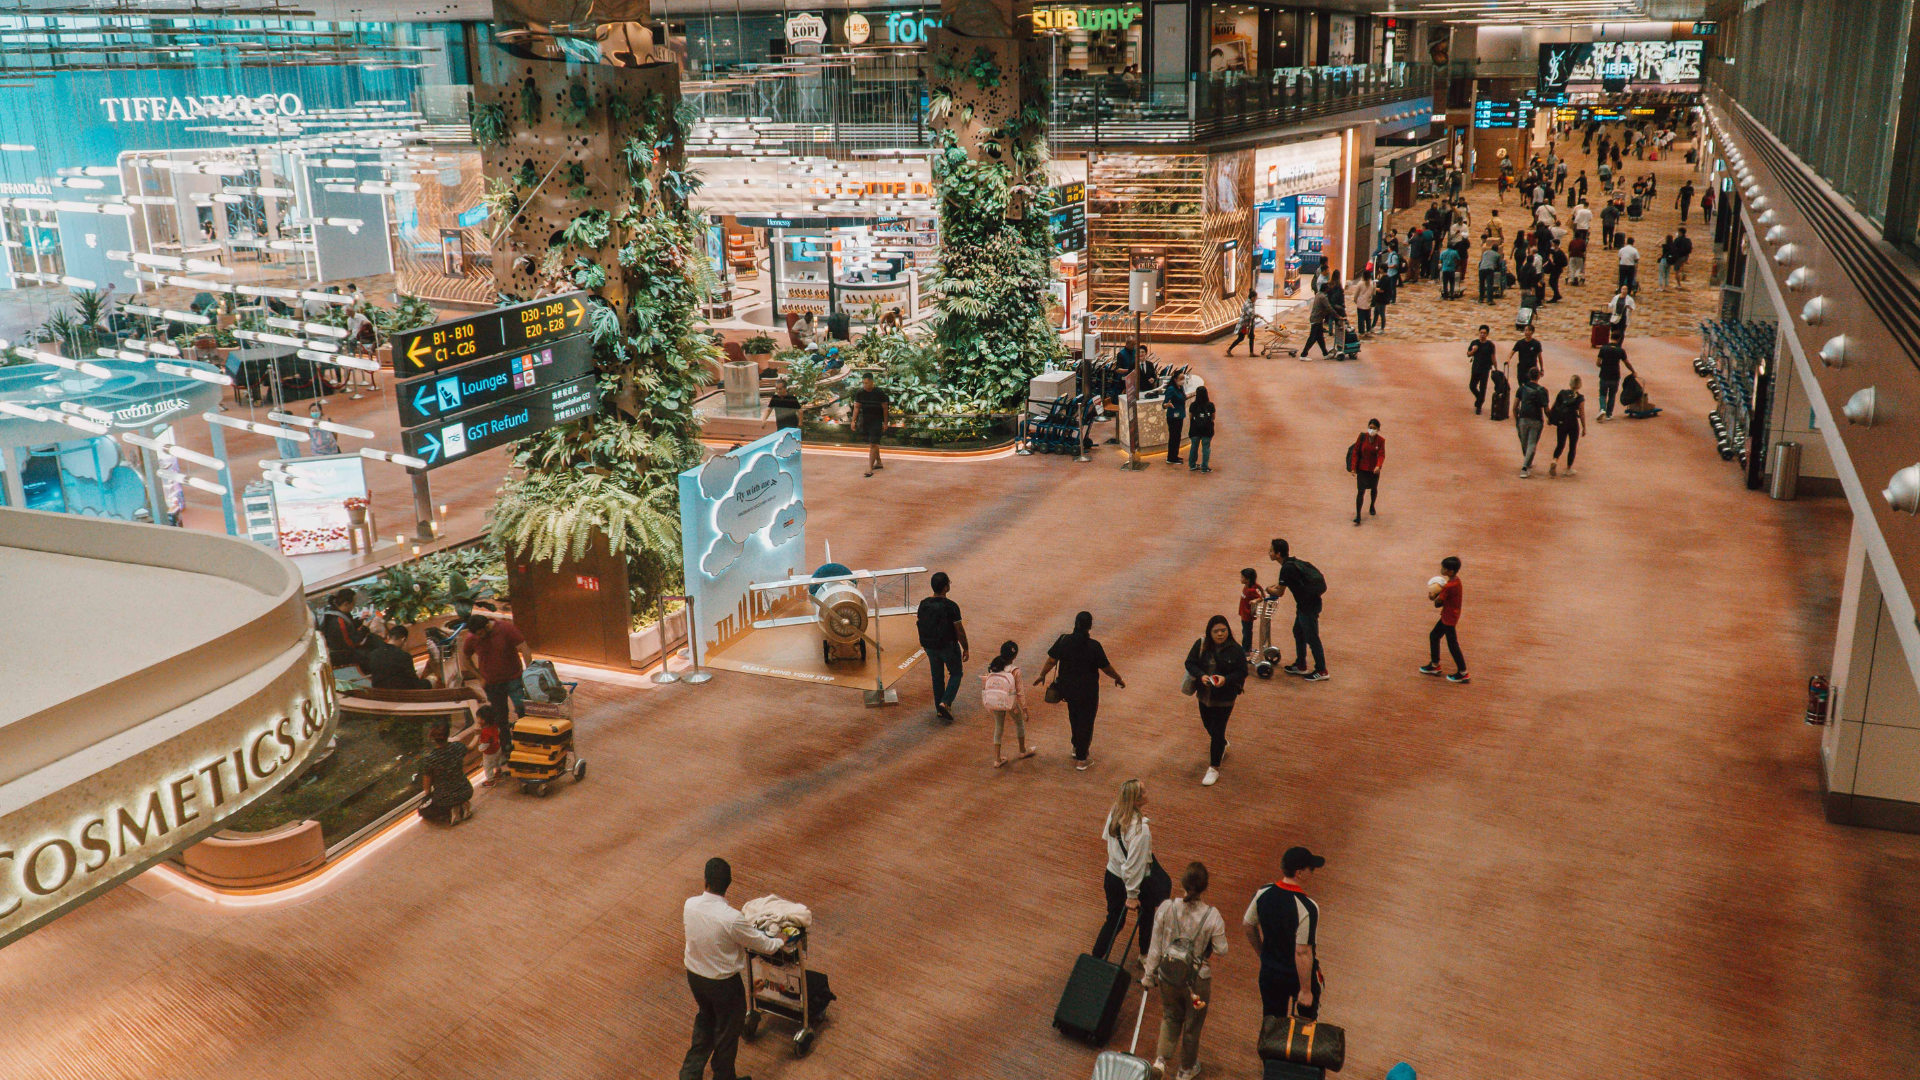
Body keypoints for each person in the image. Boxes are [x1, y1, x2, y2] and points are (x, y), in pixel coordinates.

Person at [681, 857, 785, 1080]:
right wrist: (780, 942)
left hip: (695, 977)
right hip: (723, 985)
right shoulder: (732, 918)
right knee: (728, 1031)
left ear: (705, 880)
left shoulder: (689, 905)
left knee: (706, 1020)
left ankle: (689, 1074)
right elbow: (762, 944)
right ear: (728, 884)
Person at [1143, 862, 1229, 1080]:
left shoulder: (1166, 908)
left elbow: (1155, 946)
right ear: (1204, 887)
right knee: (1192, 1026)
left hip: (1168, 976)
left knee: (1170, 1016)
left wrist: (1148, 975)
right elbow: (1222, 950)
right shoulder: (1212, 916)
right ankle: (1185, 1070)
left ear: (1182, 882)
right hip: (1197, 980)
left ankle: (1160, 1062)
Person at [1094, 779, 1172, 963]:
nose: (1147, 793)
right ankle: (1144, 955)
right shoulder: (1141, 830)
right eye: (1143, 791)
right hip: (1136, 881)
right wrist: (1132, 894)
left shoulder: (1115, 812)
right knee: (1146, 915)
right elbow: (1135, 865)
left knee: (1113, 919)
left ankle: (1096, 957)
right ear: (1136, 801)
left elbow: (1107, 837)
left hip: (1112, 875)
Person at [1244, 846, 1326, 1021]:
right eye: (1310, 869)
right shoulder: (1308, 907)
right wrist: (1305, 990)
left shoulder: (1262, 893)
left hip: (1270, 973)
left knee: (1272, 1026)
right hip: (1297, 977)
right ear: (1299, 873)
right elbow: (1302, 952)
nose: (1312, 874)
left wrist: (1263, 954)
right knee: (1305, 1028)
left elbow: (1248, 925)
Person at [1035, 611, 1125, 770]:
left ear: (1075, 623)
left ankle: (1076, 746)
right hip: (1087, 691)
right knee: (1086, 721)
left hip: (1067, 689)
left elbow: (1051, 660)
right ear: (1089, 626)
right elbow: (1106, 668)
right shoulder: (1094, 646)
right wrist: (1118, 678)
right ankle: (1082, 759)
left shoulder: (1063, 640)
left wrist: (1042, 675)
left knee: (1074, 716)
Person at [1184, 615, 1247, 787]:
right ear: (1209, 632)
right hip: (1204, 696)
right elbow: (1190, 663)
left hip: (1225, 698)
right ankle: (1222, 744)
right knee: (1208, 725)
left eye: (1223, 630)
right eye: (1216, 631)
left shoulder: (1236, 649)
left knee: (1218, 730)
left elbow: (1243, 672)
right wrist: (1201, 675)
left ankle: (1214, 767)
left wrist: (1226, 679)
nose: (1220, 634)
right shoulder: (1201, 644)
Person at [1267, 539, 1327, 681]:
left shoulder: (1286, 568)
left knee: (1312, 637)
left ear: (1278, 554)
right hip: (1306, 604)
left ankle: (1322, 670)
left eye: (1271, 550)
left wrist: (1268, 589)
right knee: (1298, 632)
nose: (1269, 553)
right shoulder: (1291, 563)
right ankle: (1301, 665)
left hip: (1308, 607)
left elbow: (1280, 592)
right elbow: (1283, 583)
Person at [915, 571, 968, 723]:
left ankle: (939, 709)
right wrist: (966, 647)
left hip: (930, 646)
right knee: (956, 673)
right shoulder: (951, 606)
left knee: (937, 677)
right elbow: (959, 630)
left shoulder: (924, 604)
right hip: (948, 645)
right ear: (945, 588)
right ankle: (945, 702)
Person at [459, 613, 532, 722]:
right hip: (491, 682)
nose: (478, 637)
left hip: (513, 677)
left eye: (480, 634)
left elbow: (524, 649)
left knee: (522, 708)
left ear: (487, 627)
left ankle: (526, 729)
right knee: (499, 715)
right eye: (476, 635)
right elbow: (465, 658)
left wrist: (529, 673)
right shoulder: (472, 638)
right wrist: (480, 677)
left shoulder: (506, 629)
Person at [980, 640, 1035, 767]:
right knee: (1019, 723)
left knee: (999, 726)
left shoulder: (995, 666)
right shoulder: (1015, 670)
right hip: (1011, 702)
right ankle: (1022, 750)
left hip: (997, 701)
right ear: (1015, 656)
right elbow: (1020, 692)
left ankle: (997, 759)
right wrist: (1025, 709)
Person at [416, 717, 477, 824]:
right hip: (466, 790)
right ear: (448, 733)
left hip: (444, 798)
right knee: (457, 794)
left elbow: (427, 788)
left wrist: (428, 797)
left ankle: (452, 809)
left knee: (423, 810)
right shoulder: (457, 747)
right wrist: (478, 735)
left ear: (432, 737)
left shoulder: (430, 759)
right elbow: (471, 748)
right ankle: (463, 804)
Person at [1419, 557, 1469, 683]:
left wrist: (1433, 596)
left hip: (1448, 618)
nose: (1441, 570)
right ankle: (1434, 664)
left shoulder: (1449, 586)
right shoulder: (1456, 581)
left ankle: (1463, 673)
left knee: (1452, 645)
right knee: (1434, 636)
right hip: (1450, 615)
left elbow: (1437, 603)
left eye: (1443, 568)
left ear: (1450, 571)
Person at [364, 624, 430, 689]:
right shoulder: (403, 655)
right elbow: (413, 682)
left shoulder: (374, 653)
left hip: (380, 691)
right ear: (403, 639)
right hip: (400, 692)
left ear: (388, 637)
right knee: (429, 682)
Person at [318, 588, 370, 670]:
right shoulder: (337, 621)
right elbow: (350, 643)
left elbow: (348, 628)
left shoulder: (336, 610)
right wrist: (364, 629)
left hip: (341, 648)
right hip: (340, 654)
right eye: (353, 603)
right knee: (370, 654)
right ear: (346, 604)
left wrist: (360, 620)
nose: (354, 606)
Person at [1347, 419, 1384, 525]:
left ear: (1378, 429)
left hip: (1373, 470)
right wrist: (1353, 467)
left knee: (1374, 488)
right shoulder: (1362, 437)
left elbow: (1381, 454)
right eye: (1370, 427)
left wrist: (1378, 466)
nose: (1372, 430)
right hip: (1362, 469)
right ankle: (1358, 515)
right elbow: (1355, 451)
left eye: (1374, 428)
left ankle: (1372, 505)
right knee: (1360, 491)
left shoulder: (1381, 441)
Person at [1513, 368, 1549, 479]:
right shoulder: (1543, 391)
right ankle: (1525, 466)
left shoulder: (1522, 388)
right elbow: (1546, 409)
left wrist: (1517, 420)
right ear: (1538, 376)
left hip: (1523, 418)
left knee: (1525, 444)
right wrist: (1552, 419)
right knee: (1532, 443)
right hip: (1536, 419)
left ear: (1529, 375)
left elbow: (1514, 407)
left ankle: (1526, 464)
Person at [1549, 374, 1587, 477]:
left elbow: (1554, 406)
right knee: (1572, 446)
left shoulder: (1562, 393)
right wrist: (1584, 427)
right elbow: (1582, 414)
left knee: (1560, 444)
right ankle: (1568, 468)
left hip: (1562, 422)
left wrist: (1550, 418)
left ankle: (1555, 460)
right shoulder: (1580, 398)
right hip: (1573, 423)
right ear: (1579, 385)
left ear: (1570, 383)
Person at [853, 371, 888, 477]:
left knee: (873, 443)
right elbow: (856, 407)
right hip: (865, 420)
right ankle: (879, 462)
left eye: (867, 383)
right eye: (863, 383)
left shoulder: (880, 393)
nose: (865, 385)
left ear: (872, 382)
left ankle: (869, 468)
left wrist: (885, 422)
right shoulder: (860, 392)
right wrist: (853, 421)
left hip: (876, 420)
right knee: (874, 443)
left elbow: (885, 409)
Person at [1595, 337, 1636, 421]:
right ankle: (1609, 414)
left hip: (1604, 375)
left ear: (1611, 337)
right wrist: (1633, 371)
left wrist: (1603, 366)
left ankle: (1602, 409)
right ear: (1619, 339)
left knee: (1602, 394)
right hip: (1615, 375)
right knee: (1612, 396)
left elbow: (1598, 363)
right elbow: (1627, 363)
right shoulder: (1620, 350)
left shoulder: (1603, 348)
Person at [1468, 326, 1497, 415]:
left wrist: (1496, 368)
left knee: (1483, 388)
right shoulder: (1474, 343)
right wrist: (1473, 351)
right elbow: (1468, 354)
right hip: (1476, 368)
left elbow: (1493, 357)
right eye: (1481, 333)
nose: (1482, 334)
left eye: (1484, 333)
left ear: (1487, 334)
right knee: (1472, 386)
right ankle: (1480, 398)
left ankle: (1479, 406)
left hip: (1485, 369)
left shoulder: (1490, 345)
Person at [1186, 385, 1215, 473]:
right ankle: (1205, 467)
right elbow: (1213, 417)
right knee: (1206, 448)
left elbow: (1190, 417)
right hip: (1207, 430)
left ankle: (1192, 465)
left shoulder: (1193, 405)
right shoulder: (1210, 405)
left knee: (1194, 447)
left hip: (1195, 429)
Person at [476, 704, 506, 787]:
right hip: (497, 748)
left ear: (483, 720)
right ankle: (498, 773)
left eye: (478, 718)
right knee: (497, 762)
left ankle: (490, 780)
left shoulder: (485, 732)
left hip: (489, 753)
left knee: (487, 767)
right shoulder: (494, 725)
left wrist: (478, 747)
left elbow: (484, 746)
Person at [1302, 286, 1334, 359]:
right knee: (1312, 338)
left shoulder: (1318, 294)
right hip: (1317, 320)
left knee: (1320, 338)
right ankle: (1303, 354)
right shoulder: (1323, 297)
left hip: (1315, 318)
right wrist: (1337, 316)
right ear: (1326, 289)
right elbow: (1329, 308)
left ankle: (1325, 354)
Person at [1162, 371, 1187, 465]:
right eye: (1181, 379)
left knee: (1177, 436)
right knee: (1173, 437)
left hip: (1180, 416)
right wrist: (1167, 405)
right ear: (1175, 379)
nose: (1183, 380)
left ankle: (1175, 455)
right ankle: (1171, 457)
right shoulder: (1171, 389)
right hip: (1173, 417)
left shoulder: (1180, 388)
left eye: (1183, 378)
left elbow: (1183, 398)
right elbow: (1164, 404)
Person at [1225, 288, 1259, 355]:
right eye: (1255, 298)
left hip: (1249, 323)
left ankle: (1251, 352)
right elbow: (1251, 313)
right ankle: (1229, 349)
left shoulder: (1251, 303)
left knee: (1251, 336)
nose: (1256, 299)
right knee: (1241, 338)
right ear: (1252, 297)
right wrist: (1256, 315)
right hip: (1244, 324)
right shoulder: (1247, 304)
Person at [1238, 568, 1263, 655]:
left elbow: (1260, 598)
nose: (1240, 579)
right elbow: (1258, 585)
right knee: (1245, 631)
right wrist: (1262, 591)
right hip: (1243, 614)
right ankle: (1246, 647)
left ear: (1248, 580)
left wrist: (1255, 600)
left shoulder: (1251, 590)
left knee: (1247, 633)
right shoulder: (1248, 586)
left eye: (1242, 577)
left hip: (1247, 615)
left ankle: (1246, 650)